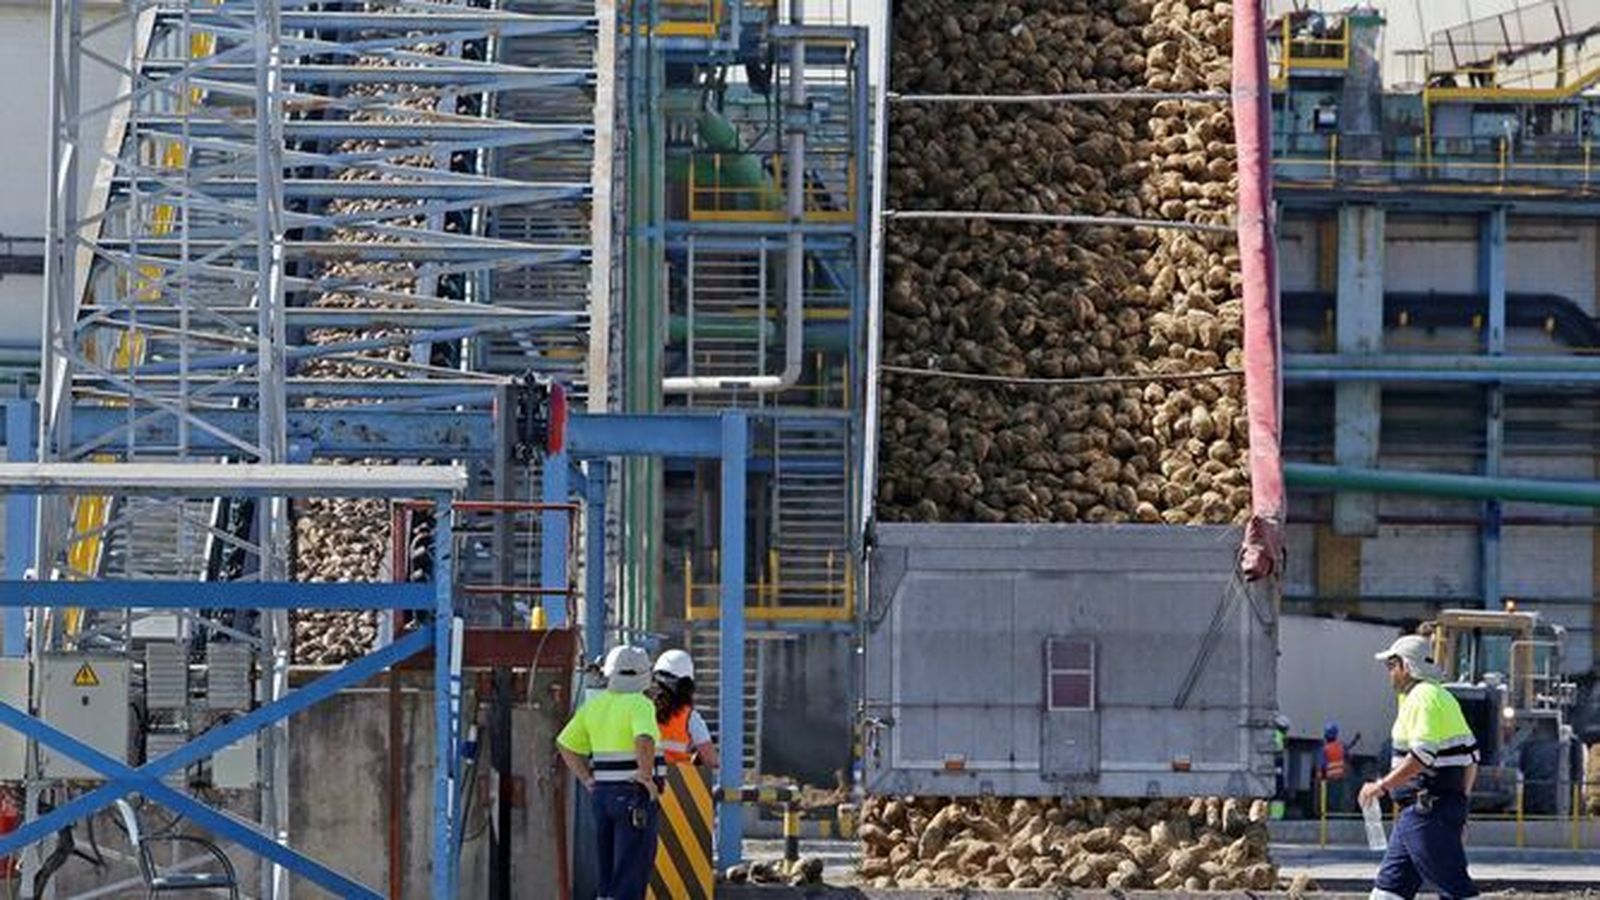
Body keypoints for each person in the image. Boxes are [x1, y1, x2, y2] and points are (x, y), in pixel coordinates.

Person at [1360, 635, 1479, 900]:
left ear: (1406, 666)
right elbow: (1471, 759)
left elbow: (1421, 757)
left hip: (1426, 812)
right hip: (1421, 812)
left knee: (1456, 889)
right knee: (1387, 892)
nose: (1389, 672)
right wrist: (1461, 806)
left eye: (1391, 665)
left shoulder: (1422, 699)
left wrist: (1381, 786)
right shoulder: (1443, 697)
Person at [557, 646, 661, 900]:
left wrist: (588, 780)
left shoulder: (595, 705)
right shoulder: (640, 704)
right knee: (631, 868)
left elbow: (564, 744)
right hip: (633, 794)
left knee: (607, 868)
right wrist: (646, 777)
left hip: (602, 795)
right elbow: (644, 739)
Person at [651, 649, 719, 768]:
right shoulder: (691, 718)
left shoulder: (643, 710)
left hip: (646, 777)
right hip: (678, 781)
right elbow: (711, 760)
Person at [1317, 720, 1350, 812]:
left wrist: (1322, 777)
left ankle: (1328, 814)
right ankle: (1337, 814)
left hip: (1328, 779)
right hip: (1340, 778)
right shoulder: (1341, 746)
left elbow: (1323, 765)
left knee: (1328, 800)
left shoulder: (1325, 748)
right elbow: (1347, 758)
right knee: (1338, 799)